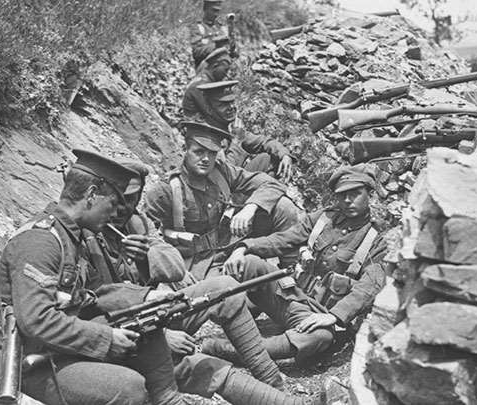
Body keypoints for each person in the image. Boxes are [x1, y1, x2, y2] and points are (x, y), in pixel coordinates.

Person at [87, 160, 315, 404]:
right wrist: (162, 335)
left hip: (148, 317)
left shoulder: (136, 222)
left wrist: (148, 254)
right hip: (114, 336)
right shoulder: (85, 232)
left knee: (225, 289)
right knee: (196, 367)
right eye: (116, 198)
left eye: (130, 199)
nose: (121, 208)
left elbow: (173, 268)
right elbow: (84, 311)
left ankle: (272, 381)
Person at [0, 149, 182, 405]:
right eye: (113, 203)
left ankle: (169, 400)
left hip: (59, 347)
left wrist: (147, 297)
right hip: (31, 362)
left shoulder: (75, 237)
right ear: (92, 195)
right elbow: (37, 321)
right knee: (127, 387)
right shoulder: (40, 242)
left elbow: (96, 295)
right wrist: (105, 338)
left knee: (147, 323)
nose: (116, 213)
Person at [204, 164, 387, 365]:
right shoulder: (324, 218)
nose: (348, 200)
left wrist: (335, 316)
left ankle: (230, 350)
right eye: (342, 195)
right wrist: (244, 247)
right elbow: (284, 239)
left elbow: (369, 287)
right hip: (289, 296)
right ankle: (232, 313)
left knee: (320, 338)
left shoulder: (377, 239)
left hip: (317, 316)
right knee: (248, 262)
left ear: (369, 193)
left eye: (355, 193)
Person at [144, 122, 301, 281]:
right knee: (231, 286)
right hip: (198, 261)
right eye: (199, 152)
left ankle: (289, 272)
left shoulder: (221, 171)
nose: (206, 159)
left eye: (212, 153)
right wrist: (174, 270)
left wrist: (250, 208)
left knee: (283, 207)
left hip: (228, 240)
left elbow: (272, 184)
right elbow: (147, 236)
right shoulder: (165, 190)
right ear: (185, 150)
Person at [196, 80, 294, 181]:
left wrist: (284, 155)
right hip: (218, 191)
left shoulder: (227, 127)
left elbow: (262, 141)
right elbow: (223, 177)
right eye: (223, 105)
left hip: (234, 182)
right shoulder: (204, 135)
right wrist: (237, 142)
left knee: (268, 158)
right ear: (209, 109)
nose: (231, 107)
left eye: (231, 102)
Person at [182, 47, 232, 122]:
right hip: (195, 126)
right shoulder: (201, 85)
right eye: (225, 70)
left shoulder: (206, 79)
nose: (227, 75)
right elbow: (210, 114)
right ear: (215, 65)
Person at [190, 0, 228, 70]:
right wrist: (216, 46)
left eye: (218, 11)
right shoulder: (199, 28)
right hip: (206, 71)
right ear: (205, 9)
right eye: (213, 10)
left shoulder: (221, 28)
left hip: (225, 70)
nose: (216, 14)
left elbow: (233, 53)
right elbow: (196, 52)